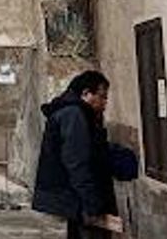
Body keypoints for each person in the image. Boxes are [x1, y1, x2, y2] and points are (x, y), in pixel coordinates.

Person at [33, 70, 120, 239]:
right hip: (80, 199)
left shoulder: (77, 113)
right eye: (102, 97)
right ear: (86, 93)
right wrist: (92, 203)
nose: (105, 103)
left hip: (75, 198)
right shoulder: (73, 115)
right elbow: (77, 162)